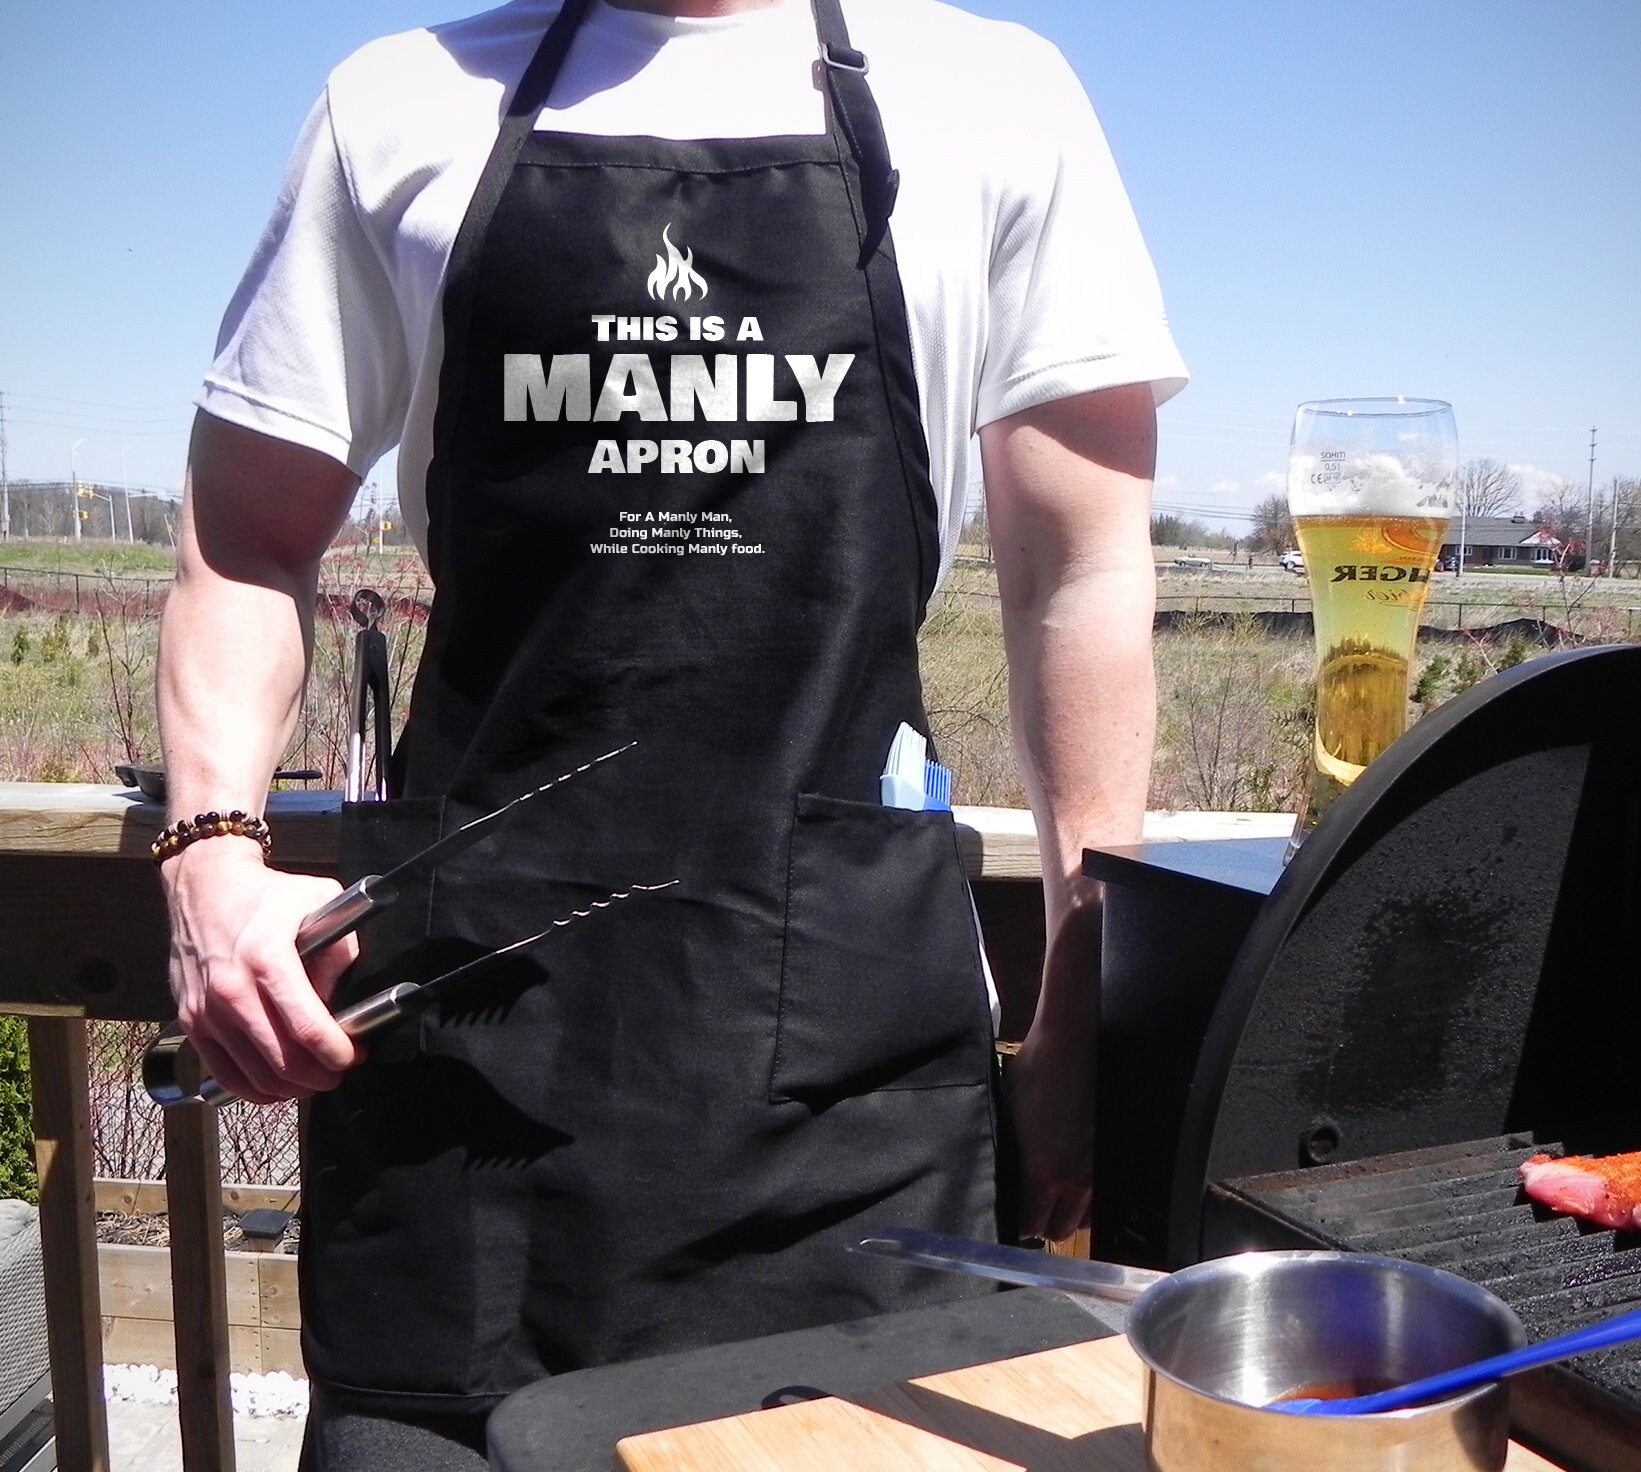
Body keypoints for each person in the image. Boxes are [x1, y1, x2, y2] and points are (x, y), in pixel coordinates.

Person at [156, 0, 1183, 1463]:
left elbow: (1079, 573)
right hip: (471, 1100)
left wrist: (1085, 1002)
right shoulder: (391, 109)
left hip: (846, 1100)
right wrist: (207, 858)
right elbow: (243, 540)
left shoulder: (998, 96)